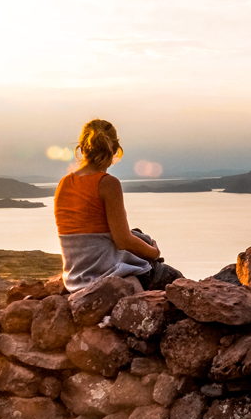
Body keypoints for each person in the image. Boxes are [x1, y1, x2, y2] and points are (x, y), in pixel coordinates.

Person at [53, 119, 182, 292]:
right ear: (114, 150)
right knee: (177, 281)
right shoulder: (108, 183)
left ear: (82, 149)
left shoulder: (64, 183)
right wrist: (154, 253)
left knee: (139, 234)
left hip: (75, 276)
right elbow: (123, 240)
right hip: (103, 273)